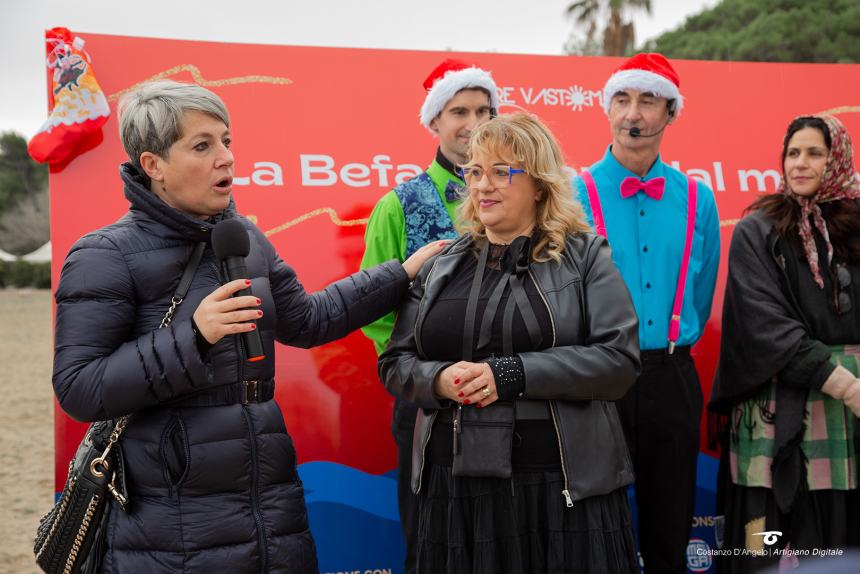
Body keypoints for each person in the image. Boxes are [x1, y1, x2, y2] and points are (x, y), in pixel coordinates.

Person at [51, 80, 444, 574]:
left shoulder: (246, 239)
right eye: (202, 145)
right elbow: (79, 388)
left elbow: (308, 319)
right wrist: (192, 336)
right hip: (171, 522)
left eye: (226, 141)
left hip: (270, 504)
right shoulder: (103, 255)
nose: (226, 158)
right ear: (154, 166)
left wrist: (399, 274)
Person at [379, 112, 642, 573]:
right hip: (452, 492)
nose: (483, 185)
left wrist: (513, 374)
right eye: (475, 172)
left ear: (539, 184)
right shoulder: (441, 264)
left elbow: (618, 361)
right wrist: (438, 380)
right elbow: (396, 362)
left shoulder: (585, 256)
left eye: (502, 172)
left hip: (559, 490)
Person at [572, 52, 721, 573]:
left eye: (648, 101)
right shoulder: (572, 194)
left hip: (672, 374)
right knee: (598, 525)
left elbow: (702, 292)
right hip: (598, 375)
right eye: (622, 99)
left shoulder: (698, 199)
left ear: (670, 114)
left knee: (670, 523)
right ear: (607, 108)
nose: (632, 114)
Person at [359, 57, 498, 573]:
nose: (474, 122)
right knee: (431, 543)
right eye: (459, 110)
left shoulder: (522, 198)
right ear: (434, 121)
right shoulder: (399, 205)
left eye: (484, 109)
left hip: (509, 395)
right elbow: (373, 310)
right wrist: (429, 375)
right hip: (426, 404)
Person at [709, 114, 860, 573]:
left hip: (845, 424)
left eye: (814, 153)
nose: (801, 163)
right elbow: (763, 326)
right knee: (759, 547)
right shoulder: (759, 230)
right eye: (793, 153)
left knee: (840, 546)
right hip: (774, 415)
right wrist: (848, 387)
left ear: (835, 160)